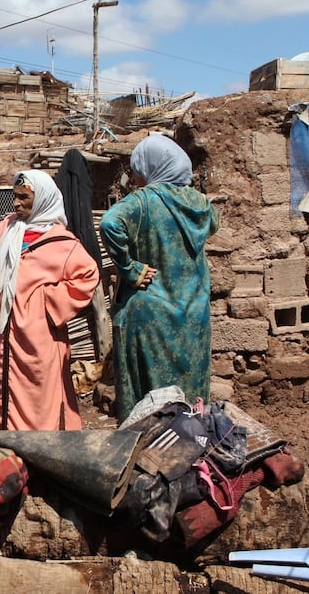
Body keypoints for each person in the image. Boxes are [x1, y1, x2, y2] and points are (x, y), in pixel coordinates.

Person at [100, 133, 220, 421]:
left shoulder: (142, 202)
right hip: (194, 313)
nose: (136, 177)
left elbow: (109, 223)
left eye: (138, 169)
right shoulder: (200, 203)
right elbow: (213, 225)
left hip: (150, 313)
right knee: (190, 395)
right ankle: (192, 443)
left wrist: (131, 269)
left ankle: (147, 448)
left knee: (151, 399)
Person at [0, 170, 100, 431]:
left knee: (40, 389)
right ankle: (8, 443)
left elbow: (87, 276)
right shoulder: (7, 228)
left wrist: (47, 303)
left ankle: (42, 448)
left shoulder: (62, 243)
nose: (16, 203)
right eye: (15, 197)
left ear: (42, 199)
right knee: (3, 383)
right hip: (2, 329)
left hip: (40, 335)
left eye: (24, 198)